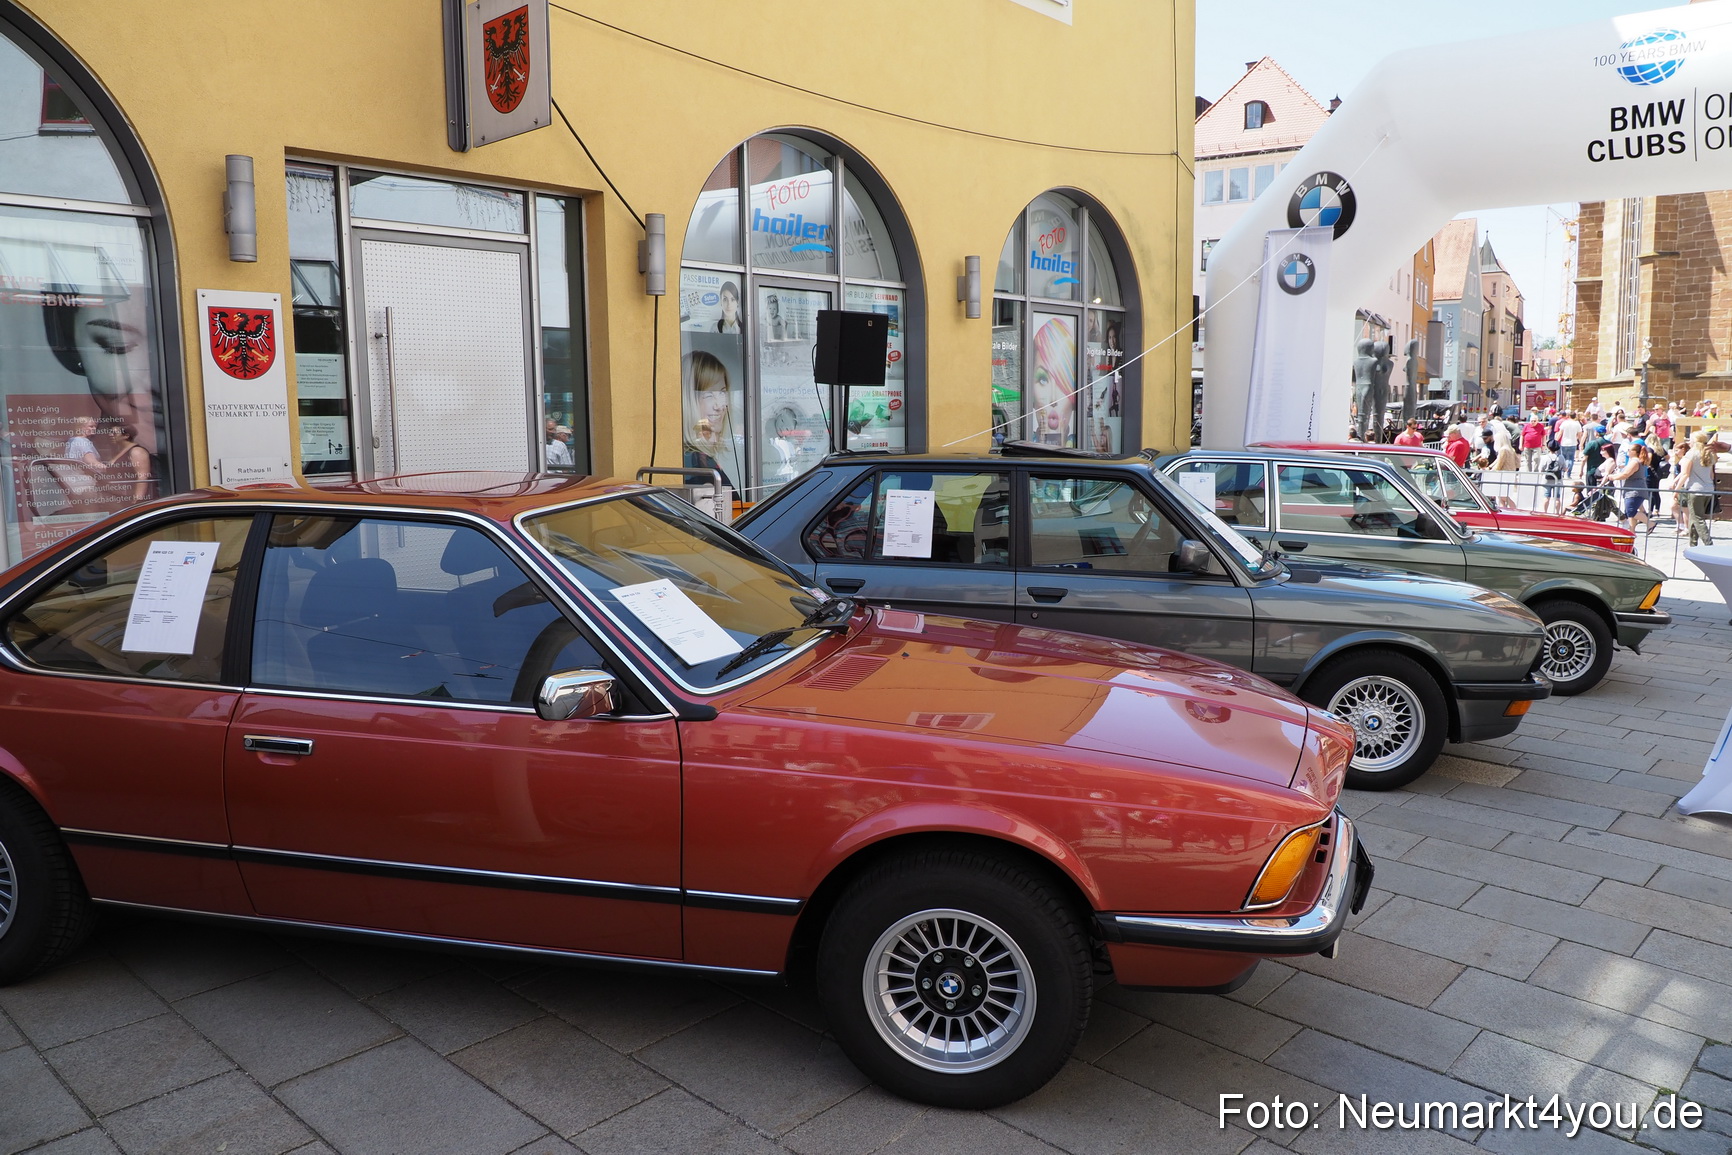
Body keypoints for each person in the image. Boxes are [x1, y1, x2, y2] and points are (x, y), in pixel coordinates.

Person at [682, 349, 742, 491]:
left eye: (722, 392)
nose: (719, 406)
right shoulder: (694, 465)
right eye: (708, 395)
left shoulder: (702, 460)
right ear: (688, 401)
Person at [1029, 316, 1078, 447]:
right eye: (1043, 380)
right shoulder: (1023, 445)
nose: (1053, 399)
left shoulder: (1082, 445)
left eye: (1062, 382)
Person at [1678, 430, 1718, 546]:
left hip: (1695, 489)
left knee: (1697, 518)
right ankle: (1693, 544)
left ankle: (1708, 544)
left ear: (1694, 441)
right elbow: (1711, 475)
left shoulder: (1691, 454)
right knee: (1694, 518)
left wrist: (1676, 489)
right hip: (1709, 489)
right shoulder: (1709, 453)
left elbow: (1685, 473)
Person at [1611, 442, 1656, 533]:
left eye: (1630, 450)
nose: (1628, 451)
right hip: (1632, 489)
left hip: (1635, 490)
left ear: (1635, 452)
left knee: (1630, 511)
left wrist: (1613, 477)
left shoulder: (1635, 462)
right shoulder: (1635, 461)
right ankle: (1631, 530)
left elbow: (1626, 474)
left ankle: (1650, 523)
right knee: (1630, 512)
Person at [104, 423, 154, 506]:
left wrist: (138, 500)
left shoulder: (137, 451)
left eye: (114, 433)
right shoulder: (118, 451)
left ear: (126, 436)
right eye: (110, 432)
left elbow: (143, 476)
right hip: (119, 498)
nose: (110, 435)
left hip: (131, 500)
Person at [1483, 424, 1521, 510]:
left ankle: (1514, 510)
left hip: (1504, 475)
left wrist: (1490, 470)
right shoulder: (1510, 449)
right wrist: (1490, 467)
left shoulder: (1504, 450)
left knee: (1503, 496)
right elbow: (1498, 460)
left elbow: (1499, 464)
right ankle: (1504, 511)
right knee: (1500, 497)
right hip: (1509, 474)